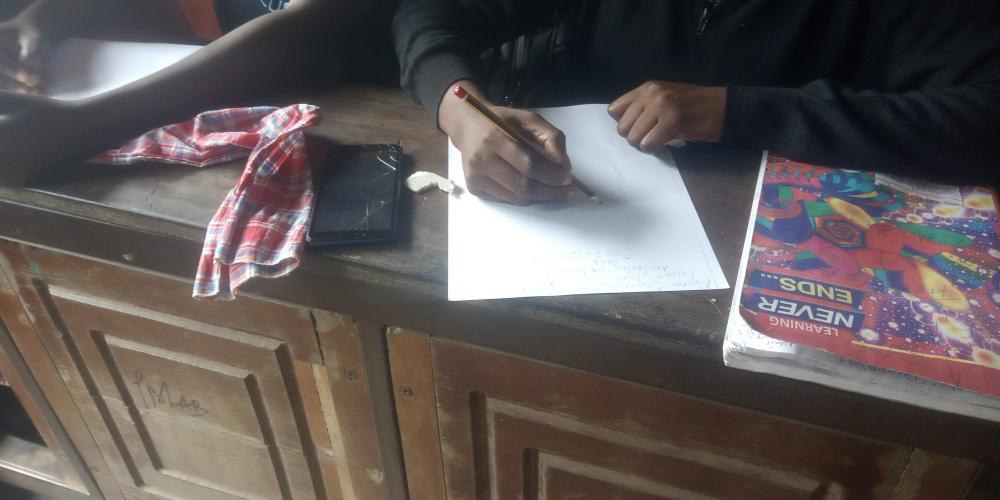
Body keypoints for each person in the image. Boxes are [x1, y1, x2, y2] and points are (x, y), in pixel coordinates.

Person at [394, 0, 1000, 205]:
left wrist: (745, 111)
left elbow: (985, 120)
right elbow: (431, 11)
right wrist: (460, 108)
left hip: (777, 249)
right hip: (574, 212)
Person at [0, 0, 396, 184]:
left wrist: (86, 124)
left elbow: (303, 32)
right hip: (241, 88)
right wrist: (43, 17)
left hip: (362, 101)